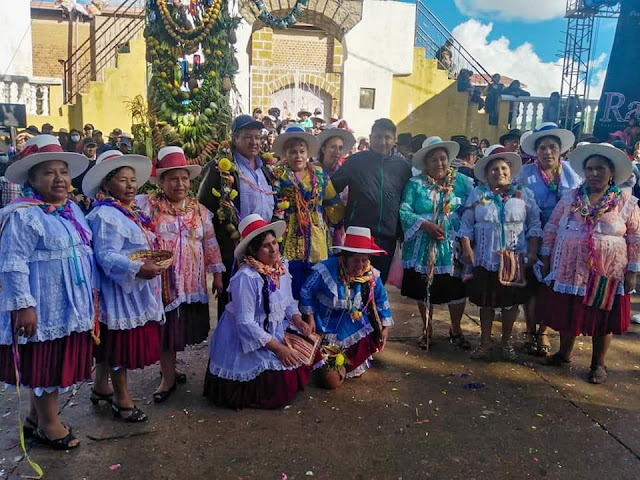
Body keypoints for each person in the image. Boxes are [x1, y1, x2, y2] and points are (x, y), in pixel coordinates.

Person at [0, 135, 92, 450]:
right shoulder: (24, 215)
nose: (59, 179)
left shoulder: (70, 212)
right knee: (45, 362)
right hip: (43, 305)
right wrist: (24, 305)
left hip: (66, 304)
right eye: (49, 173)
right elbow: (12, 264)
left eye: (63, 172)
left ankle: (35, 417)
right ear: (33, 179)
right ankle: (50, 424)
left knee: (51, 360)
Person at [538, 143, 640, 384]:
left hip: (607, 270)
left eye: (600, 169)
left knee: (602, 316)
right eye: (590, 168)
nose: (594, 173)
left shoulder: (625, 202)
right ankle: (564, 354)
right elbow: (552, 227)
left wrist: (632, 271)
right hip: (570, 269)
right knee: (568, 311)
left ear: (611, 172)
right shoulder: (570, 198)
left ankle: (598, 364)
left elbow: (635, 238)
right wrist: (545, 257)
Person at [203, 214, 319, 409]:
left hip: (273, 329)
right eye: (266, 245)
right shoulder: (246, 278)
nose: (274, 249)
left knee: (308, 356)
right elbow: (246, 322)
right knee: (280, 386)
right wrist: (277, 348)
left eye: (274, 242)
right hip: (246, 337)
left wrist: (298, 320)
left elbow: (289, 302)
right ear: (254, 250)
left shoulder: (281, 268)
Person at [137, 147, 225, 402]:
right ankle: (167, 377)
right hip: (165, 283)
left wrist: (217, 275)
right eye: (173, 178)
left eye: (184, 178)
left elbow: (210, 244)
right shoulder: (149, 208)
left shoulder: (200, 211)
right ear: (162, 182)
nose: (180, 184)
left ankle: (170, 368)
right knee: (166, 330)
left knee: (179, 329)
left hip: (192, 281)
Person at [83, 150, 163, 422]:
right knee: (119, 345)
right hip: (118, 291)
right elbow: (105, 255)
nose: (130, 185)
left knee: (110, 345)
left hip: (132, 286)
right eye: (122, 180)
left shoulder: (130, 212)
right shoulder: (106, 215)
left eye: (132, 180)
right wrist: (136, 268)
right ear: (106, 185)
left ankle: (101, 387)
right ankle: (122, 399)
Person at [459, 145, 543, 361]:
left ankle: (506, 343)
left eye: (504, 169)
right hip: (486, 259)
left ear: (511, 171)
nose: (499, 173)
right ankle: (485, 342)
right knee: (486, 303)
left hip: (514, 259)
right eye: (494, 169)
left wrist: (532, 252)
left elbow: (534, 224)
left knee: (510, 304)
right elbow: (467, 225)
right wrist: (468, 249)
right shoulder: (478, 194)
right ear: (487, 173)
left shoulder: (523, 194)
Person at [400, 137, 474, 350]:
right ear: (426, 163)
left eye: (443, 158)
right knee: (425, 287)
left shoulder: (462, 182)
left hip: (454, 246)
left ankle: (456, 329)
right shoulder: (415, 184)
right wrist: (425, 224)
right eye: (434, 160)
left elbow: (474, 207)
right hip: (424, 246)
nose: (439, 163)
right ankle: (427, 329)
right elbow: (404, 210)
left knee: (457, 288)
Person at [198, 114, 275, 318]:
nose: (255, 142)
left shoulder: (265, 168)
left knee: (259, 300)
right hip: (234, 247)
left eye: (258, 137)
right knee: (234, 301)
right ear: (235, 138)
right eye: (248, 137)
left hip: (263, 246)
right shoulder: (220, 168)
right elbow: (204, 208)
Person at [518, 122, 581, 355]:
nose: (547, 152)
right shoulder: (525, 174)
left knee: (551, 287)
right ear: (535, 151)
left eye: (552, 147)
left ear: (560, 149)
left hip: (562, 241)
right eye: (542, 148)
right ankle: (530, 330)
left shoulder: (572, 175)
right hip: (532, 237)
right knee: (531, 286)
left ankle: (543, 331)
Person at [300, 226, 393, 379]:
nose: (361, 266)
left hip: (352, 329)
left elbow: (381, 300)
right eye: (356, 260)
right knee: (330, 379)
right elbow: (306, 291)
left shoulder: (371, 275)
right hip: (325, 329)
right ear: (344, 259)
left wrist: (385, 328)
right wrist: (309, 318)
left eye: (364, 260)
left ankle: (347, 362)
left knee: (346, 373)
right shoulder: (326, 271)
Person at [332, 118, 413, 283]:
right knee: (353, 280)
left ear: (394, 139)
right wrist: (339, 216)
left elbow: (408, 200)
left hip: (387, 235)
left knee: (378, 284)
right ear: (370, 137)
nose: (382, 142)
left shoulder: (402, 166)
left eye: (387, 137)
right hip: (358, 234)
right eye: (377, 137)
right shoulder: (356, 161)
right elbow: (332, 188)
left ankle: (374, 309)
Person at [271, 125, 344, 298]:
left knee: (315, 283)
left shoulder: (319, 174)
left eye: (301, 151)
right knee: (290, 281)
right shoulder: (277, 175)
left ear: (307, 153)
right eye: (293, 152)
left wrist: (340, 225)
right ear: (285, 154)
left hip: (316, 234)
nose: (298, 156)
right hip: (289, 233)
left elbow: (332, 201)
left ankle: (312, 320)